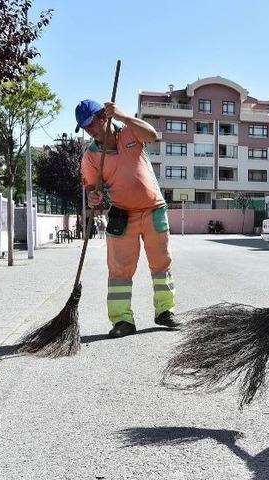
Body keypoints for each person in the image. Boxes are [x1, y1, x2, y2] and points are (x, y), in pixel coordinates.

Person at [76, 99, 179, 338]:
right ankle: (122, 320)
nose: (89, 130)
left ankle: (165, 311)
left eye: (91, 123)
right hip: (122, 214)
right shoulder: (91, 157)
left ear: (104, 116)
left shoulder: (129, 132)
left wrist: (123, 116)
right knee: (119, 271)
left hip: (154, 209)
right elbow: (92, 188)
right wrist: (93, 196)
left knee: (161, 263)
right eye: (84, 127)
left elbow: (152, 135)